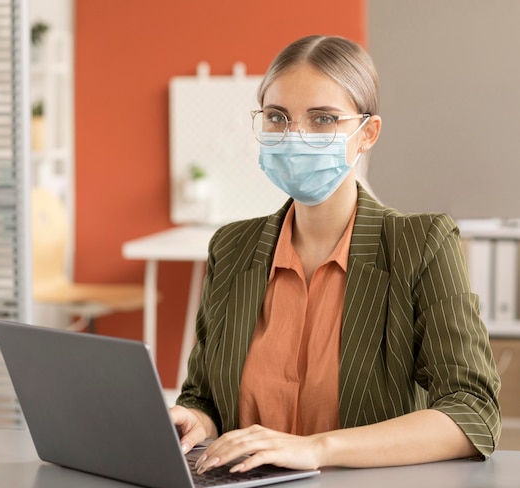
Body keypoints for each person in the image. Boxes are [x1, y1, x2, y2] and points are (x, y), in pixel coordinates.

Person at [170, 34, 501, 474]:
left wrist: (317, 449)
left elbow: (473, 411)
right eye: (277, 117)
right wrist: (194, 420)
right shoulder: (232, 248)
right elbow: (204, 397)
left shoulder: (421, 244)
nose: (295, 136)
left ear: (367, 134)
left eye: (323, 119)